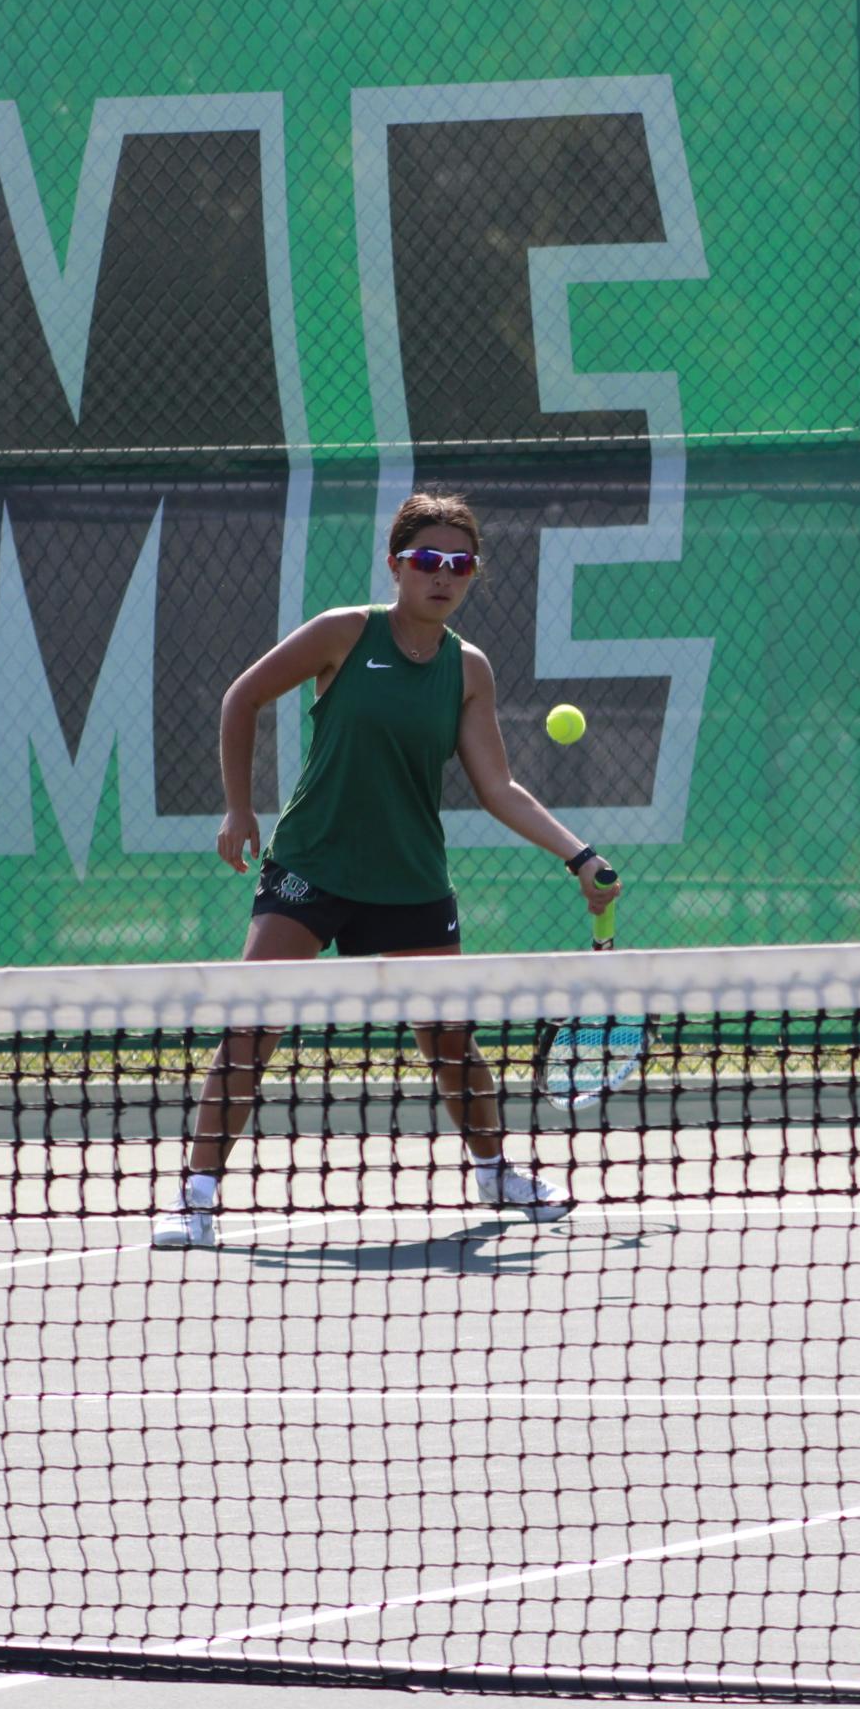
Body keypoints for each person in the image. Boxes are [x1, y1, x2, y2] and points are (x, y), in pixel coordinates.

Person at [153, 491, 620, 1249]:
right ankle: (196, 1196)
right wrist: (239, 808)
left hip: (409, 877)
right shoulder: (344, 633)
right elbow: (244, 697)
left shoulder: (468, 669)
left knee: (449, 1039)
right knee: (251, 1026)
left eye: (460, 565)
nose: (444, 576)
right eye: (429, 561)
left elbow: (497, 786)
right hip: (311, 865)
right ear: (398, 564)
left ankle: (495, 1169)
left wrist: (579, 854)